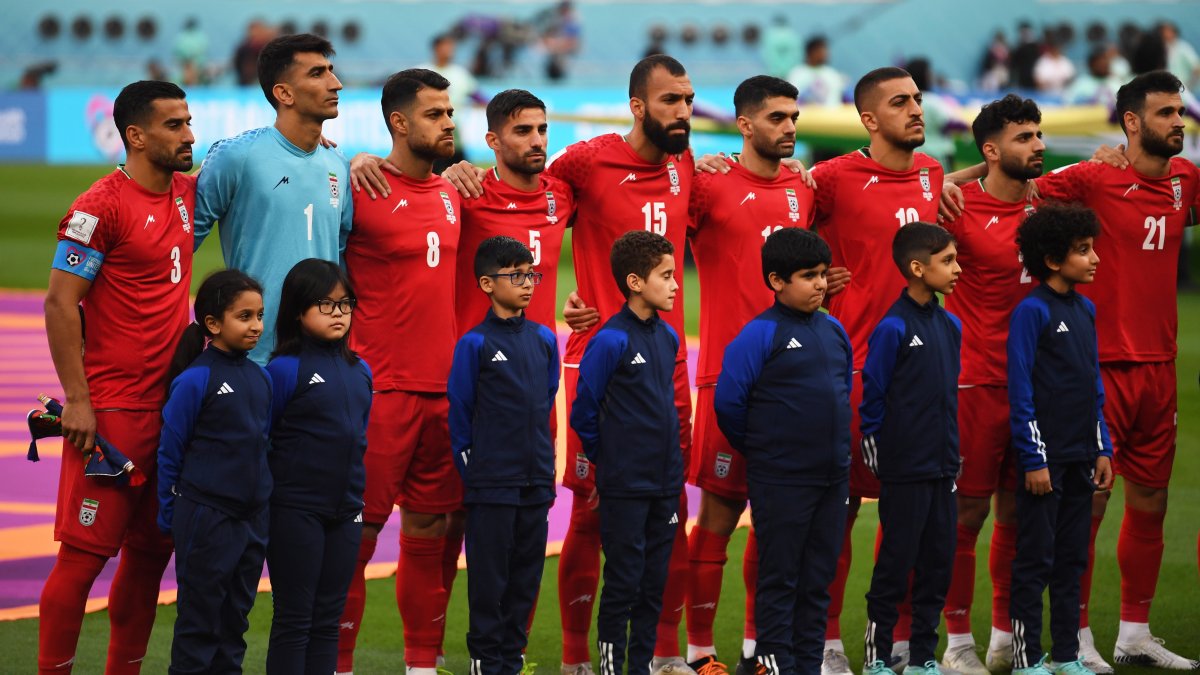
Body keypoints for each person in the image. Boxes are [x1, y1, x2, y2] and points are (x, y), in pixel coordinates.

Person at [1031, 70, 1200, 671]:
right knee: (1088, 509)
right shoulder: (1092, 178)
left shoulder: (1187, 179)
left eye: (1181, 111)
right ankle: (1074, 639)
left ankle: (1135, 633)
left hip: (1160, 370)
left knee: (1151, 504)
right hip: (1097, 372)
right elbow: (1016, 186)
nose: (1179, 122)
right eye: (1165, 113)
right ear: (1132, 122)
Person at [40, 79, 196, 675]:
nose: (188, 135)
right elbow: (59, 304)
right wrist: (77, 401)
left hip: (171, 408)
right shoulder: (97, 206)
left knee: (152, 555)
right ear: (136, 135)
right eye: (174, 126)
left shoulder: (188, 190)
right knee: (83, 559)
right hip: (112, 413)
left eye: (187, 122)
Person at [808, 66, 944, 675]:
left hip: (918, 382)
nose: (916, 109)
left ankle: (896, 642)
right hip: (849, 371)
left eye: (917, 99)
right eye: (900, 102)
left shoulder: (934, 173)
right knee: (835, 512)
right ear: (869, 119)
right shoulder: (832, 179)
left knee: (911, 516)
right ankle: (828, 643)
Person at [684, 75, 817, 675]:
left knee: (778, 521)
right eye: (777, 118)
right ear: (744, 126)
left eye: (794, 116)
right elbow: (642, 238)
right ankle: (697, 651)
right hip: (726, 381)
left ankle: (759, 649)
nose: (789, 127)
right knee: (716, 516)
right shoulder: (707, 184)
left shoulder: (805, 186)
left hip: (794, 387)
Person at [337, 68, 463, 675]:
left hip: (443, 392)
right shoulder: (357, 187)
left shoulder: (451, 190)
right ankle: (336, 663)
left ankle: (421, 666)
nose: (449, 123)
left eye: (450, 112)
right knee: (355, 538)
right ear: (399, 122)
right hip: (379, 391)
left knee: (430, 531)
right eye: (436, 114)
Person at [713, 228, 852, 675]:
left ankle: (807, 665)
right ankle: (775, 665)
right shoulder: (760, 335)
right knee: (780, 577)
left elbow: (842, 387)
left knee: (817, 581)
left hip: (833, 478)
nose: (819, 284)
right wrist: (767, 450)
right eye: (808, 276)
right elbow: (729, 404)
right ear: (776, 281)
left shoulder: (833, 329)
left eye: (822, 275)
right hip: (782, 479)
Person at [938, 94, 1044, 675]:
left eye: (1037, 135)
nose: (1038, 145)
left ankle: (1006, 638)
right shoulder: (956, 205)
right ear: (991, 149)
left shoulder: (1051, 201)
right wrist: (965, 173)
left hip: (1038, 387)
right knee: (966, 516)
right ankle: (957, 643)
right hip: (976, 383)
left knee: (1021, 515)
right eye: (1024, 137)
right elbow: (906, 194)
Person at [194, 32, 353, 365]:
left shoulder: (338, 164)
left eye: (330, 70)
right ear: (284, 93)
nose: (335, 83)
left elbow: (341, 257)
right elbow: (178, 244)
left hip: (321, 356)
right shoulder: (237, 157)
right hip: (255, 358)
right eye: (317, 73)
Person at [1006, 203, 1114, 675]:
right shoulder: (1031, 312)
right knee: (1035, 560)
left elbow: (1092, 384)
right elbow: (1021, 387)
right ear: (1052, 260)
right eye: (1083, 251)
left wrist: (1102, 447)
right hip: (1043, 462)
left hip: (1079, 457)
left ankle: (1068, 655)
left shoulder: (1087, 308)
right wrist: (1033, 459)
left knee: (1071, 560)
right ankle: (1028, 658)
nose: (1095, 259)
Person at [570, 231, 683, 675]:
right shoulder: (610, 340)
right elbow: (584, 413)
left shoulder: (668, 337)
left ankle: (641, 667)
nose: (676, 285)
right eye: (667, 276)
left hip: (665, 483)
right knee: (622, 583)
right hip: (625, 485)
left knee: (655, 585)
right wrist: (612, 462)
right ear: (636, 282)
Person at [448, 236, 561, 675]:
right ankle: (485, 660)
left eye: (530, 273)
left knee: (525, 576)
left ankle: (511, 659)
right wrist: (476, 473)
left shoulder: (544, 339)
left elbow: (546, 397)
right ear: (486, 284)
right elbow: (461, 414)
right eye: (515, 275)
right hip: (492, 483)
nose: (527, 282)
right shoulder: (473, 344)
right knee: (489, 579)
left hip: (535, 481)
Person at [157, 269, 272, 675]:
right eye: (245, 317)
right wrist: (171, 514)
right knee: (199, 625)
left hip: (250, 520)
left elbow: (262, 447)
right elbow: (171, 451)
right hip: (206, 516)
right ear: (212, 323)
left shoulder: (261, 377)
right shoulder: (195, 380)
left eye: (259, 315)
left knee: (234, 624)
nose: (257, 326)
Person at [860, 223, 962, 675]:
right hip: (905, 468)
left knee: (937, 565)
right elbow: (873, 397)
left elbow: (946, 397)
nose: (957, 269)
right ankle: (879, 657)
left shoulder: (951, 324)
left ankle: (923, 658)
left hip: (943, 467)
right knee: (894, 567)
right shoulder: (893, 327)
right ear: (918, 268)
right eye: (948, 261)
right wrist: (882, 452)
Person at [264, 259, 372, 675]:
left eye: (346, 304)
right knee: (294, 619)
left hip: (345, 511)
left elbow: (356, 437)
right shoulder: (284, 370)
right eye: (326, 305)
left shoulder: (359, 370)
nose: (339, 314)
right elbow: (263, 440)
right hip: (296, 510)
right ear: (297, 309)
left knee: (329, 622)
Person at [452, 89, 575, 341]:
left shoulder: (562, 196)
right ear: (493, 141)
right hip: (482, 362)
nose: (537, 141)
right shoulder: (467, 194)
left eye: (541, 130)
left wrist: (585, 295)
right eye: (523, 131)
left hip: (541, 359)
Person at [421, 33, 478, 172]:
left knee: (461, 168)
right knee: (432, 168)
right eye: (445, 47)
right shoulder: (421, 72)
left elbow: (475, 94)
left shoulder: (460, 73)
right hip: (429, 128)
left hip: (453, 126)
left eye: (451, 47)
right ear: (436, 48)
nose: (449, 50)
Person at [787, 36, 846, 107]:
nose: (825, 54)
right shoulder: (796, 74)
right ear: (811, 52)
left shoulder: (832, 75)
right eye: (821, 51)